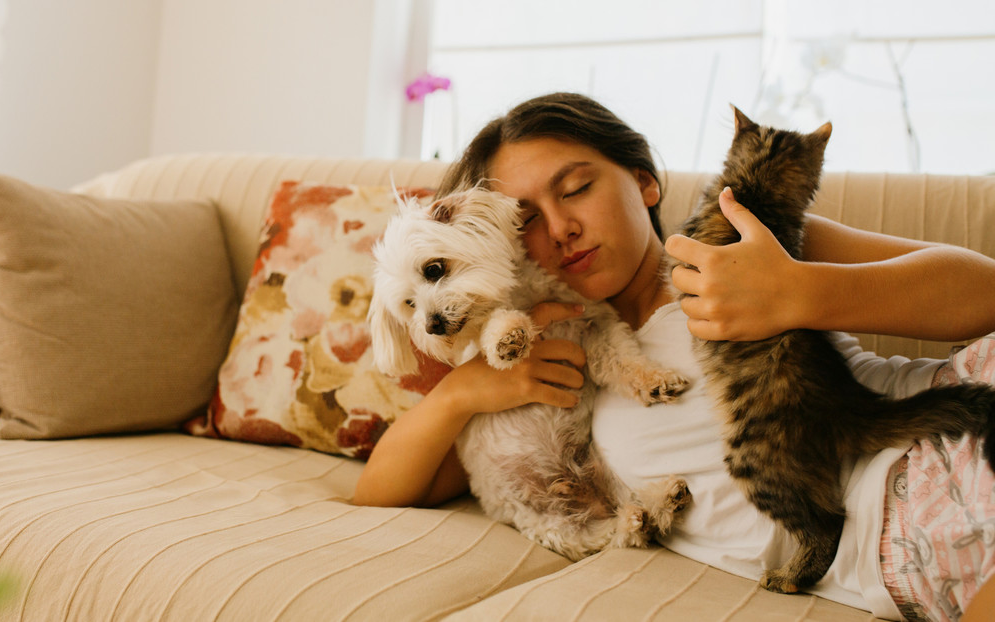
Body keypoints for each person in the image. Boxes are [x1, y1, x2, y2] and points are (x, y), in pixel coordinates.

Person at [351, 92, 995, 621]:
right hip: (907, 548)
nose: (561, 228)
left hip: (949, 419)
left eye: (576, 188)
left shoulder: (734, 239)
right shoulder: (548, 360)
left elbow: (983, 292)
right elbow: (383, 490)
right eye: (526, 221)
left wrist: (802, 293)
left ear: (643, 181)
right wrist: (465, 393)